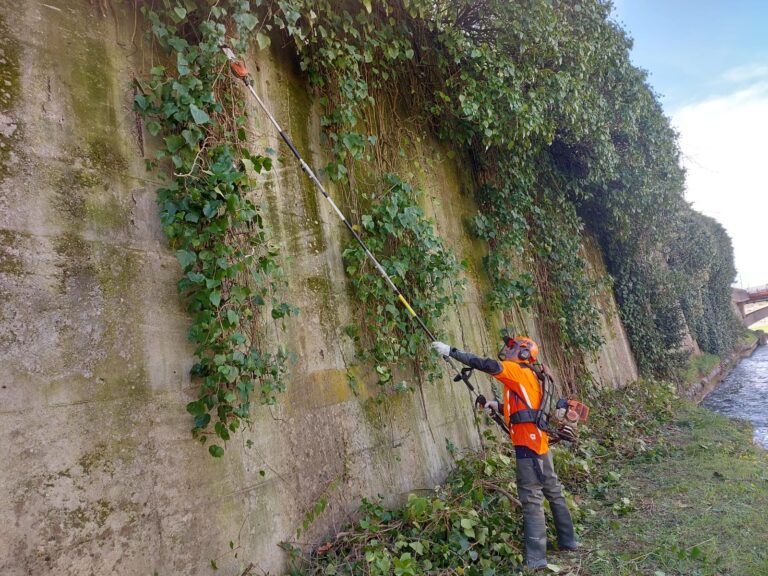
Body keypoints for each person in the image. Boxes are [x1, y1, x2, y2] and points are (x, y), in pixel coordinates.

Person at [431, 336, 578, 572]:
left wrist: (452, 351)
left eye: (512, 347)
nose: (507, 349)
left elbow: (487, 365)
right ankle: (568, 541)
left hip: (528, 447)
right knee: (553, 491)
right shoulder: (530, 375)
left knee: (531, 499)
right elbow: (525, 408)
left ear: (522, 352)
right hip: (539, 443)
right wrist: (496, 406)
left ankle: (536, 560)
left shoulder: (516, 370)